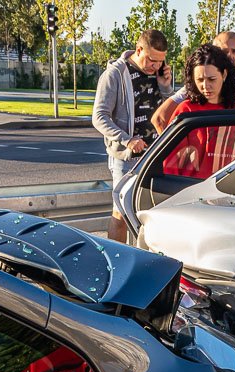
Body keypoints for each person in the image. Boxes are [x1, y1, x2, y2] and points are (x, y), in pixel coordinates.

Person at [93, 29, 176, 242]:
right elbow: (99, 117)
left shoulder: (158, 73)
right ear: (139, 49)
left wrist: (166, 88)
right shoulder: (115, 74)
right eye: (151, 60)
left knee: (153, 213)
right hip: (126, 158)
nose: (155, 66)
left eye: (160, 61)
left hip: (155, 155)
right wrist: (127, 140)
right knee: (120, 212)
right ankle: (117, 261)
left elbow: (166, 111)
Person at [162, 45, 235, 181]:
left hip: (229, 193)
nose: (205, 86)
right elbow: (170, 162)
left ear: (224, 75)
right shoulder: (185, 110)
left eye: (211, 79)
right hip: (190, 193)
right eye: (199, 80)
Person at [152, 31, 235, 134]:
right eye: (224, 52)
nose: (230, 56)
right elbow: (160, 119)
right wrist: (178, 147)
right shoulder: (195, 89)